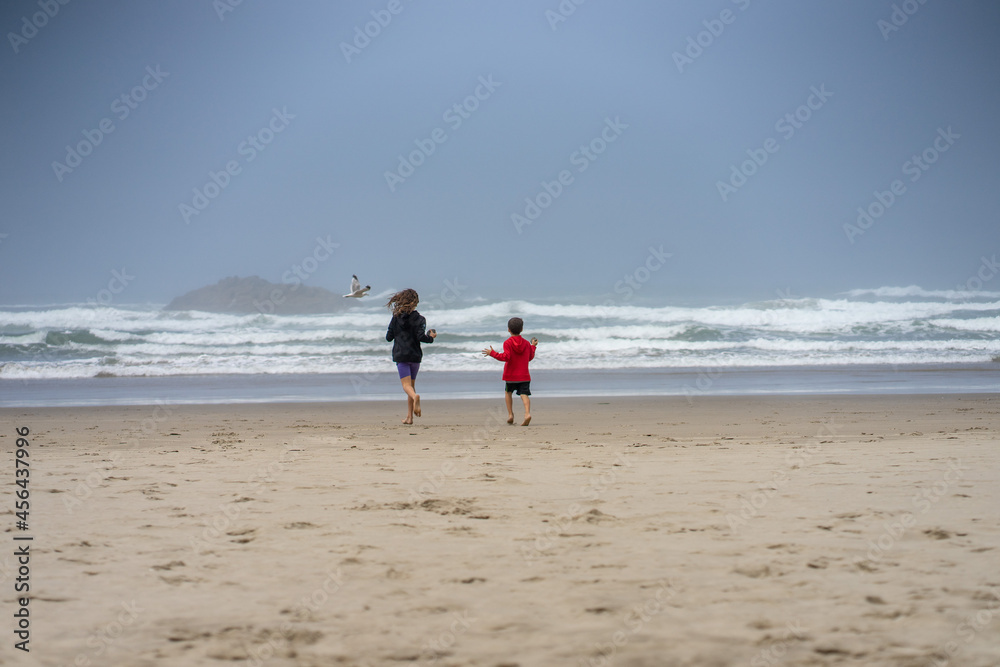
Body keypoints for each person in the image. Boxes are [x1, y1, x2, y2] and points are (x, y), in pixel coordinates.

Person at [386, 289, 436, 424]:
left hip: (401, 355)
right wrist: (431, 337)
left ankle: (415, 397)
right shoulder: (420, 319)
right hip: (415, 356)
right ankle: (409, 417)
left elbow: (388, 338)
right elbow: (421, 337)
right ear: (416, 303)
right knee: (411, 386)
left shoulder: (396, 317)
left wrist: (395, 330)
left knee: (406, 386)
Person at [482, 317, 538, 426]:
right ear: (522, 329)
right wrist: (533, 346)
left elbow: (506, 357)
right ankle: (527, 414)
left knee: (508, 393)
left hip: (510, 375)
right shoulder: (526, 343)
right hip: (524, 375)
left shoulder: (507, 343)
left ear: (508, 329)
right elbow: (530, 357)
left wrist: (492, 353)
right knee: (524, 394)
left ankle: (510, 415)